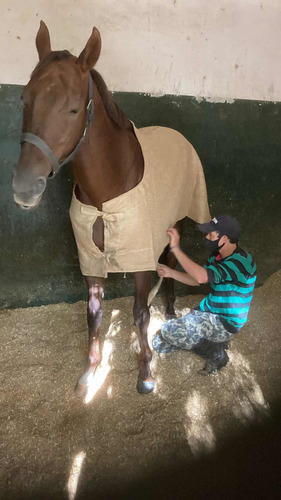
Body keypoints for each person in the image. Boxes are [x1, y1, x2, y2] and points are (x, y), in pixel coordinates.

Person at [153, 215, 257, 374]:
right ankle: (211, 342)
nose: (206, 237)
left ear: (224, 238)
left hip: (225, 322)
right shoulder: (217, 256)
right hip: (208, 311)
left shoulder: (240, 262)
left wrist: (175, 248)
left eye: (210, 234)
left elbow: (201, 276)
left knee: (168, 331)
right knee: (159, 344)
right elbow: (198, 280)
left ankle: (217, 355)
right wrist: (171, 273)